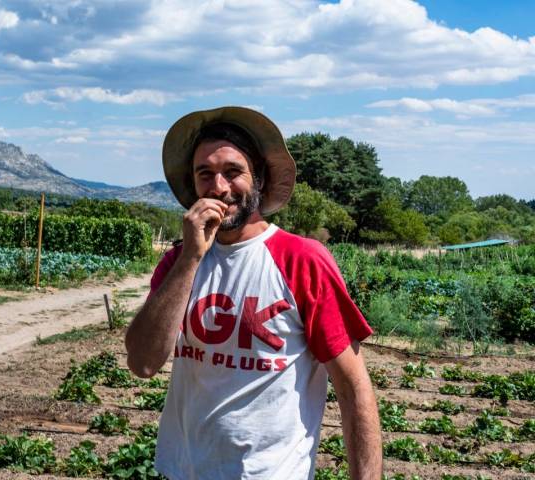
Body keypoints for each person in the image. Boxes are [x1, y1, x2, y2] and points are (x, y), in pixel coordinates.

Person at [125, 106, 382, 480]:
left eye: (233, 172)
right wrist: (191, 257)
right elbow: (143, 363)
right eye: (205, 174)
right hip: (182, 472)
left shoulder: (301, 260)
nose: (219, 187)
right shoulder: (179, 263)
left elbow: (353, 388)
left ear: (258, 178)